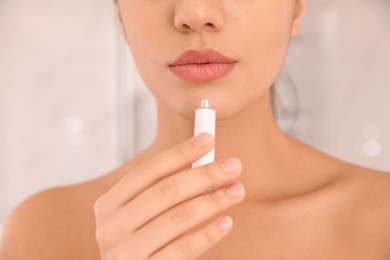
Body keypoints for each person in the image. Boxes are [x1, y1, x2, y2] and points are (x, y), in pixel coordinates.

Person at [1, 0, 390, 259]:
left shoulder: (381, 222)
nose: (195, 12)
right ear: (120, 12)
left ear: (296, 8)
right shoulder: (46, 232)